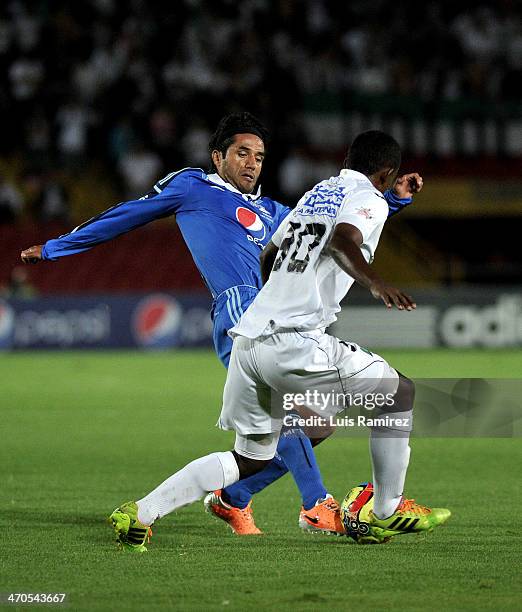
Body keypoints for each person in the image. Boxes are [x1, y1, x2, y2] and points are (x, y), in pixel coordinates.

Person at [21, 113, 419, 537]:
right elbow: (128, 214)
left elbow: (337, 228)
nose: (252, 163)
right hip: (241, 312)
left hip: (276, 317)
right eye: (242, 153)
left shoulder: (273, 210)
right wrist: (55, 248)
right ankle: (316, 504)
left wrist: (389, 200)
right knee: (329, 410)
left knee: (315, 425)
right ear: (218, 157)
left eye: (260, 157)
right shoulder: (195, 186)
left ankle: (233, 499)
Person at [105, 130, 449, 552]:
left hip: (251, 342)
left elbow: (269, 253)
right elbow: (344, 239)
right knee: (399, 392)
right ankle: (383, 510)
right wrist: (376, 285)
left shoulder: (315, 194)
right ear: (386, 173)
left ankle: (141, 512)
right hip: (295, 343)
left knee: (249, 457)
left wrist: (280, 296)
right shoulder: (370, 200)